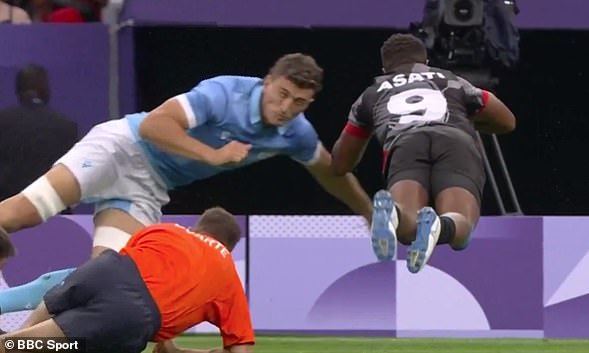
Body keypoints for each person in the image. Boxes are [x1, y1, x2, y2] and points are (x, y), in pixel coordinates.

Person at [0, 53, 372, 316]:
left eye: (300, 103)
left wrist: (369, 213)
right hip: (120, 147)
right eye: (283, 95)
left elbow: (331, 173)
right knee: (22, 214)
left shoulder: (296, 134)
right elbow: (153, 126)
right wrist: (213, 156)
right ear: (268, 82)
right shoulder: (224, 93)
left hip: (147, 187)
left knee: (102, 280)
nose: (287, 108)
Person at [331, 34, 516, 273]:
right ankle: (441, 225)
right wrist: (466, 120)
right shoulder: (453, 80)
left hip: (405, 144)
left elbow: (340, 164)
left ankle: (394, 213)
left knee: (407, 232)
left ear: (384, 68)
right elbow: (507, 121)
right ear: (426, 61)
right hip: (456, 142)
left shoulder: (370, 95)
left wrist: (369, 126)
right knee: (461, 226)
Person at [0, 207, 254, 353]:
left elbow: (130, 270)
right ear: (229, 248)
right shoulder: (228, 276)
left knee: (22, 342)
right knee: (24, 347)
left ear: (199, 228)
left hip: (105, 270)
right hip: (131, 311)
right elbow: (239, 350)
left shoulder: (165, 230)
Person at [0, 64, 79, 202]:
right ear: (46, 89)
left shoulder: (3, 121)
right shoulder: (67, 126)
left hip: (6, 211)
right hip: (54, 212)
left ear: (18, 89)